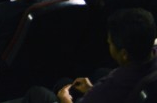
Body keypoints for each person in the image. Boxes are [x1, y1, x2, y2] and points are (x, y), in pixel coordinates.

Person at [22, 8, 157, 103]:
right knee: (64, 82)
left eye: (110, 43)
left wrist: (65, 100)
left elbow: (104, 94)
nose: (108, 44)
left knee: (37, 93)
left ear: (124, 54)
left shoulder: (111, 87)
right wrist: (91, 90)